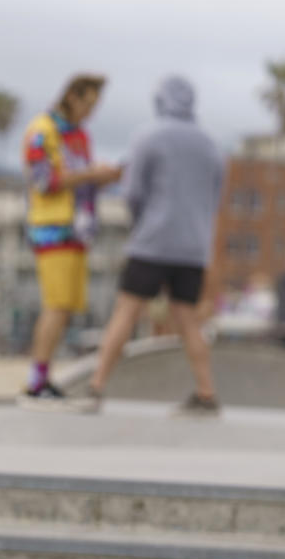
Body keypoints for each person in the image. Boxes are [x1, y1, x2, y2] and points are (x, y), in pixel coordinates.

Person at [86, 75, 225, 412]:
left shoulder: (148, 135)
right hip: (192, 247)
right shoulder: (211, 144)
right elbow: (215, 197)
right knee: (188, 320)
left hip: (152, 242)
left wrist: (143, 221)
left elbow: (132, 192)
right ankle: (206, 394)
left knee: (126, 312)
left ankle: (96, 387)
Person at [22, 74, 122, 398]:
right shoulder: (42, 129)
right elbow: (43, 181)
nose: (92, 111)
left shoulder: (80, 136)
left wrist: (104, 178)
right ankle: (36, 380)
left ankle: (43, 375)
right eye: (89, 103)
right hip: (53, 229)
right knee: (57, 303)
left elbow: (78, 181)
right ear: (73, 97)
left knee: (65, 307)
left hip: (78, 229)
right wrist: (92, 173)